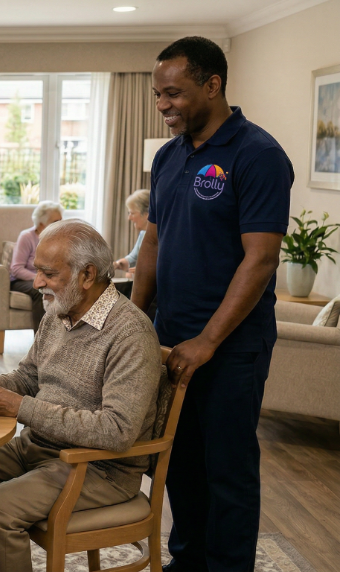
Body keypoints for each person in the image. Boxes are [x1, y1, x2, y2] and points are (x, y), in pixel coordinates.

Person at [133, 37, 293, 572]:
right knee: (179, 461)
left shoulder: (258, 155)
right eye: (158, 96)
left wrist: (206, 341)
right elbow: (153, 242)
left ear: (213, 84)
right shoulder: (169, 155)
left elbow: (261, 259)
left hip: (230, 346)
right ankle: (188, 559)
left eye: (173, 94)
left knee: (227, 469)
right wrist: (135, 319)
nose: (164, 106)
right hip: (169, 337)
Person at [0, 219, 161, 571]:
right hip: (39, 449)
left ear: (87, 275)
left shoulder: (130, 334)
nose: (36, 283)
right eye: (37, 271)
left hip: (97, 468)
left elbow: (117, 431)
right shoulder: (59, 312)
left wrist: (21, 408)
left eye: (48, 273)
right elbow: (28, 377)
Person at [9, 201, 63, 331]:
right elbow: (16, 269)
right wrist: (41, 279)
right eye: (55, 222)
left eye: (61, 220)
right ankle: (41, 341)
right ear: (41, 224)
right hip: (22, 281)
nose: (60, 225)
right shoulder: (27, 237)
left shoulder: (60, 239)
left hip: (49, 280)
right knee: (42, 291)